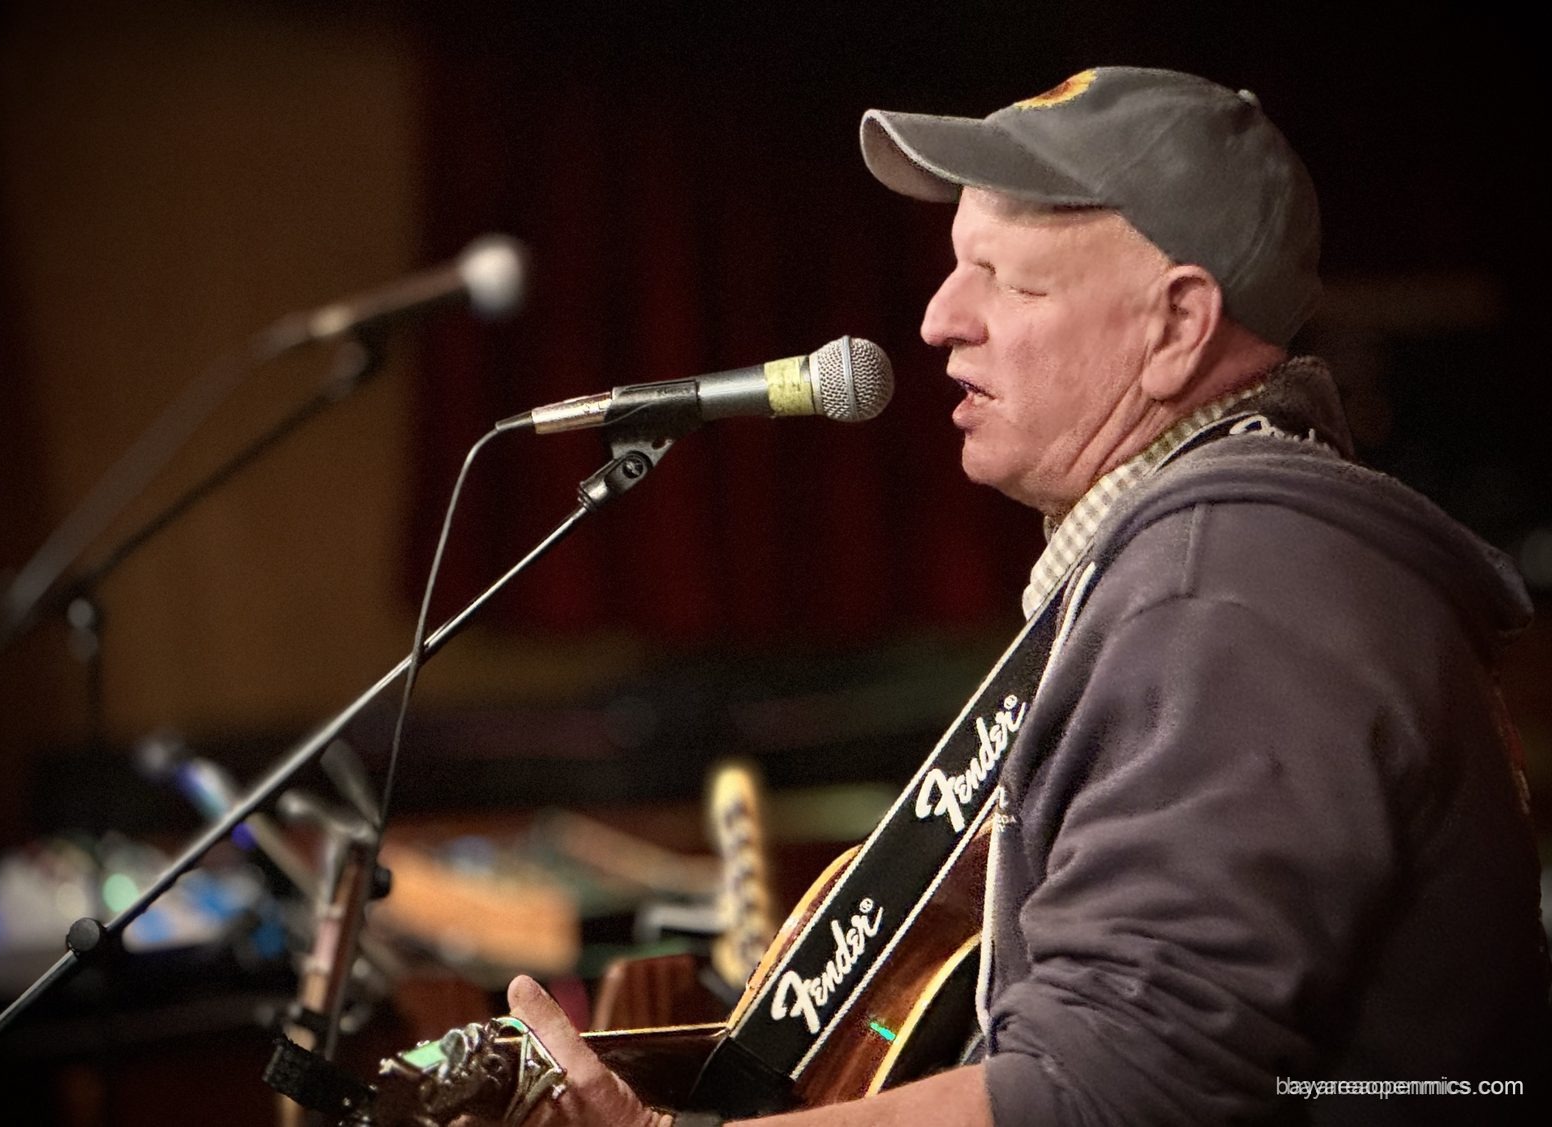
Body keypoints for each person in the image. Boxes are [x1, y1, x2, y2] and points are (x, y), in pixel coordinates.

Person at [475, 67, 1551, 1125]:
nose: (939, 319)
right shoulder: (1218, 556)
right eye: (955, 270)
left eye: (1009, 280)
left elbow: (1114, 1091)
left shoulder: (1226, 590)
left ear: (1176, 325)